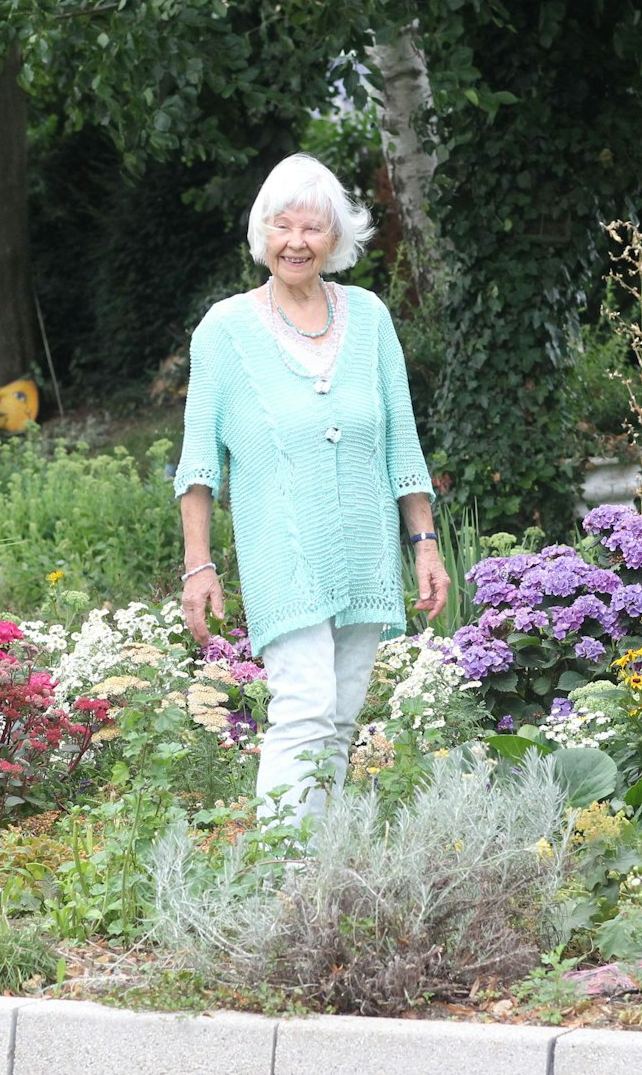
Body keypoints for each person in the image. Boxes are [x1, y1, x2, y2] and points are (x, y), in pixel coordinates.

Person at [174, 151, 450, 824]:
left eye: (312, 227)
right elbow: (198, 463)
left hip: (366, 552)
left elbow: (401, 445)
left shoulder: (371, 318)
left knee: (341, 715)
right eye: (282, 225)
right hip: (285, 554)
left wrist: (425, 542)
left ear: (336, 238)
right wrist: (198, 565)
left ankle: (318, 874)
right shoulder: (226, 331)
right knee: (302, 706)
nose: (296, 241)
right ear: (262, 233)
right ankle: (279, 882)